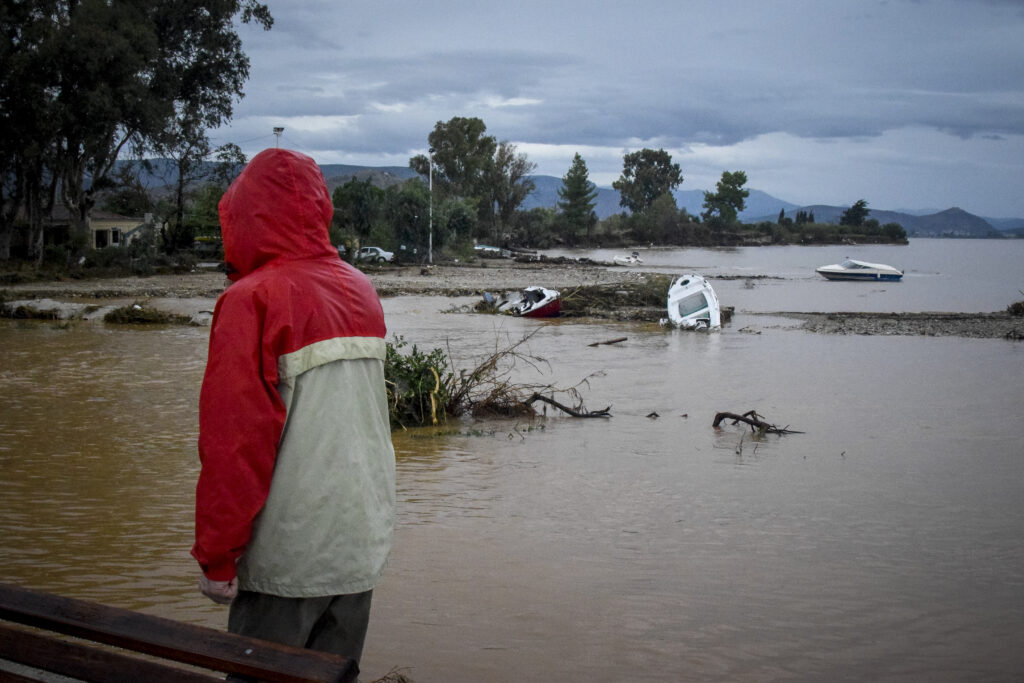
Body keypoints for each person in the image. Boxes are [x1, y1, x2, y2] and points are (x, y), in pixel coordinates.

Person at [192, 147, 395, 667]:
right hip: (360, 546)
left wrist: (218, 558)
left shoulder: (251, 298)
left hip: (290, 555)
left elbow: (236, 444)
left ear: (242, 215)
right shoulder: (361, 289)